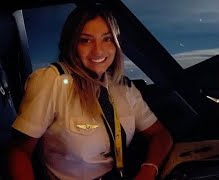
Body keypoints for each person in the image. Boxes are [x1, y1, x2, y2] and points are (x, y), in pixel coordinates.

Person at [8, 3, 173, 180]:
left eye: (107, 39)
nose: (98, 50)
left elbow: (161, 135)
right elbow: (19, 152)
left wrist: (148, 170)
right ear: (72, 45)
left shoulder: (122, 87)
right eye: (86, 40)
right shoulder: (51, 80)